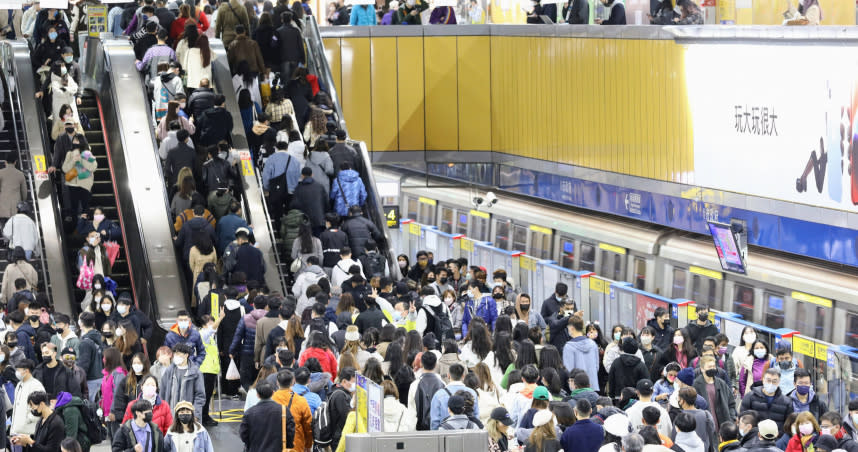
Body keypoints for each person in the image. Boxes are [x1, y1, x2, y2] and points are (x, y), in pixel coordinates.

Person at [160, 343, 206, 421]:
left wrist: (196, 414)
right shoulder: (169, 371)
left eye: (178, 354)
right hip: (171, 415)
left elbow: (200, 396)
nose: (175, 356)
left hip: (188, 415)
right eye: (174, 354)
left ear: (186, 355)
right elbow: (162, 392)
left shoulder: (195, 373)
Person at [271, 369, 313, 452]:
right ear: (293, 382)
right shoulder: (301, 401)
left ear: (277, 382)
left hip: (274, 444)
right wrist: (308, 444)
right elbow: (308, 425)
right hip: (295, 445)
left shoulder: (271, 400)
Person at [693, 355, 735, 435]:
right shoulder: (696, 385)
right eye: (709, 366)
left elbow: (731, 402)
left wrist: (732, 417)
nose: (712, 368)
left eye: (713, 366)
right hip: (706, 427)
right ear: (702, 369)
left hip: (723, 425)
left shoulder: (721, 383)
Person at [10, 360, 44, 443]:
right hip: (16, 431)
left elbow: (39, 408)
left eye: (18, 370)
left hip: (28, 434)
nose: (16, 372)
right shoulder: (19, 384)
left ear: (26, 371)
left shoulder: (36, 385)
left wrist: (28, 420)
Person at [675, 387, 716, 452]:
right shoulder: (706, 414)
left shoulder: (680, 418)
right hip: (704, 449)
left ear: (682, 401)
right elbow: (712, 430)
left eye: (678, 398)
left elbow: (674, 437)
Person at [275, 12, 304, 87]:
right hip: (295, 59)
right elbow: (300, 45)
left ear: (282, 20)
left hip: (284, 58)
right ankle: (293, 95)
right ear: (291, 20)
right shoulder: (296, 31)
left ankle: (286, 96)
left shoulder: (278, 31)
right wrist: (303, 59)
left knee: (285, 80)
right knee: (294, 79)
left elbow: (273, 44)